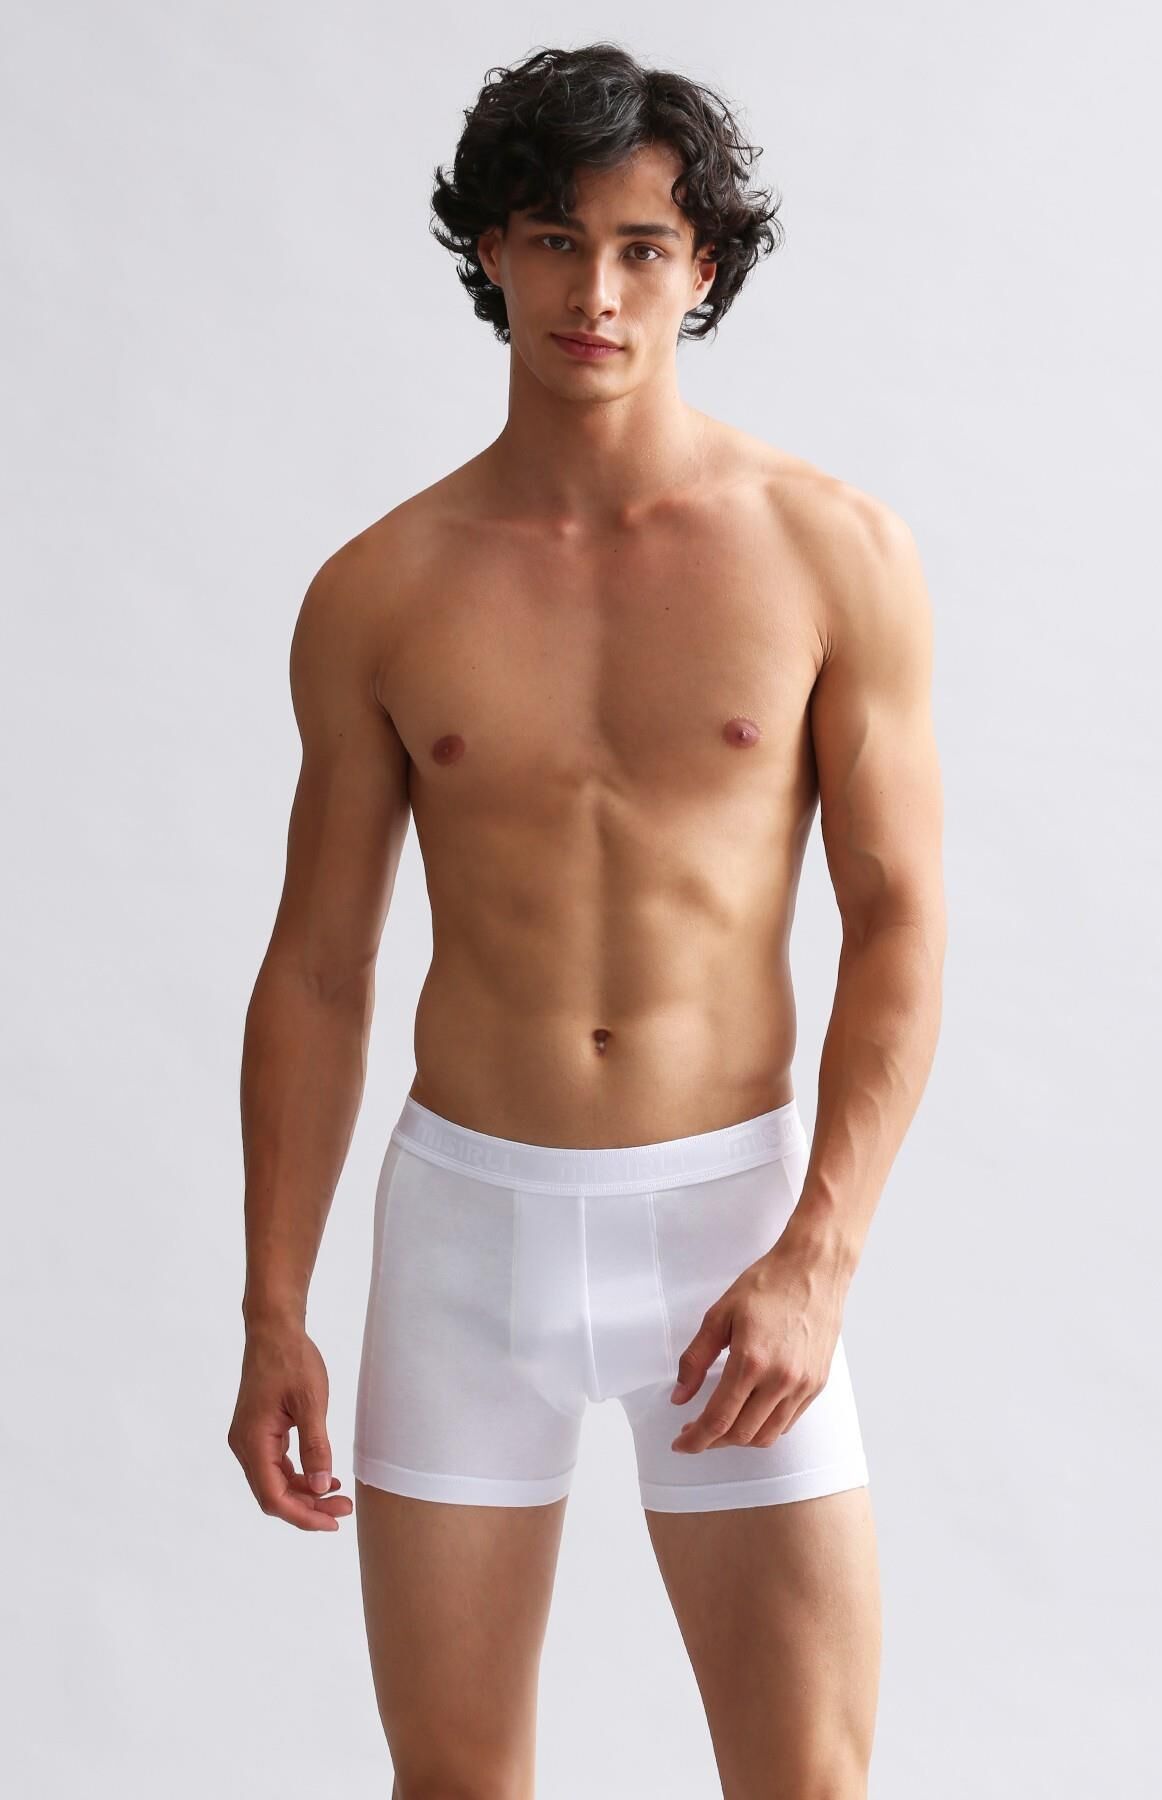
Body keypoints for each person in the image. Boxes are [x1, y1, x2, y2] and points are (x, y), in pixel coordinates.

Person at [228, 39, 946, 1800]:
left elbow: (900, 921)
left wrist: (819, 1257)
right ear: (490, 249)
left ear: (703, 270)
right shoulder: (382, 589)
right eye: (554, 240)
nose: (595, 294)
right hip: (468, 1234)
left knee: (806, 1781)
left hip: (732, 1225)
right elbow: (319, 967)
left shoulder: (830, 552)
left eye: (640, 248)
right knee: (456, 1785)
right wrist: (273, 1306)